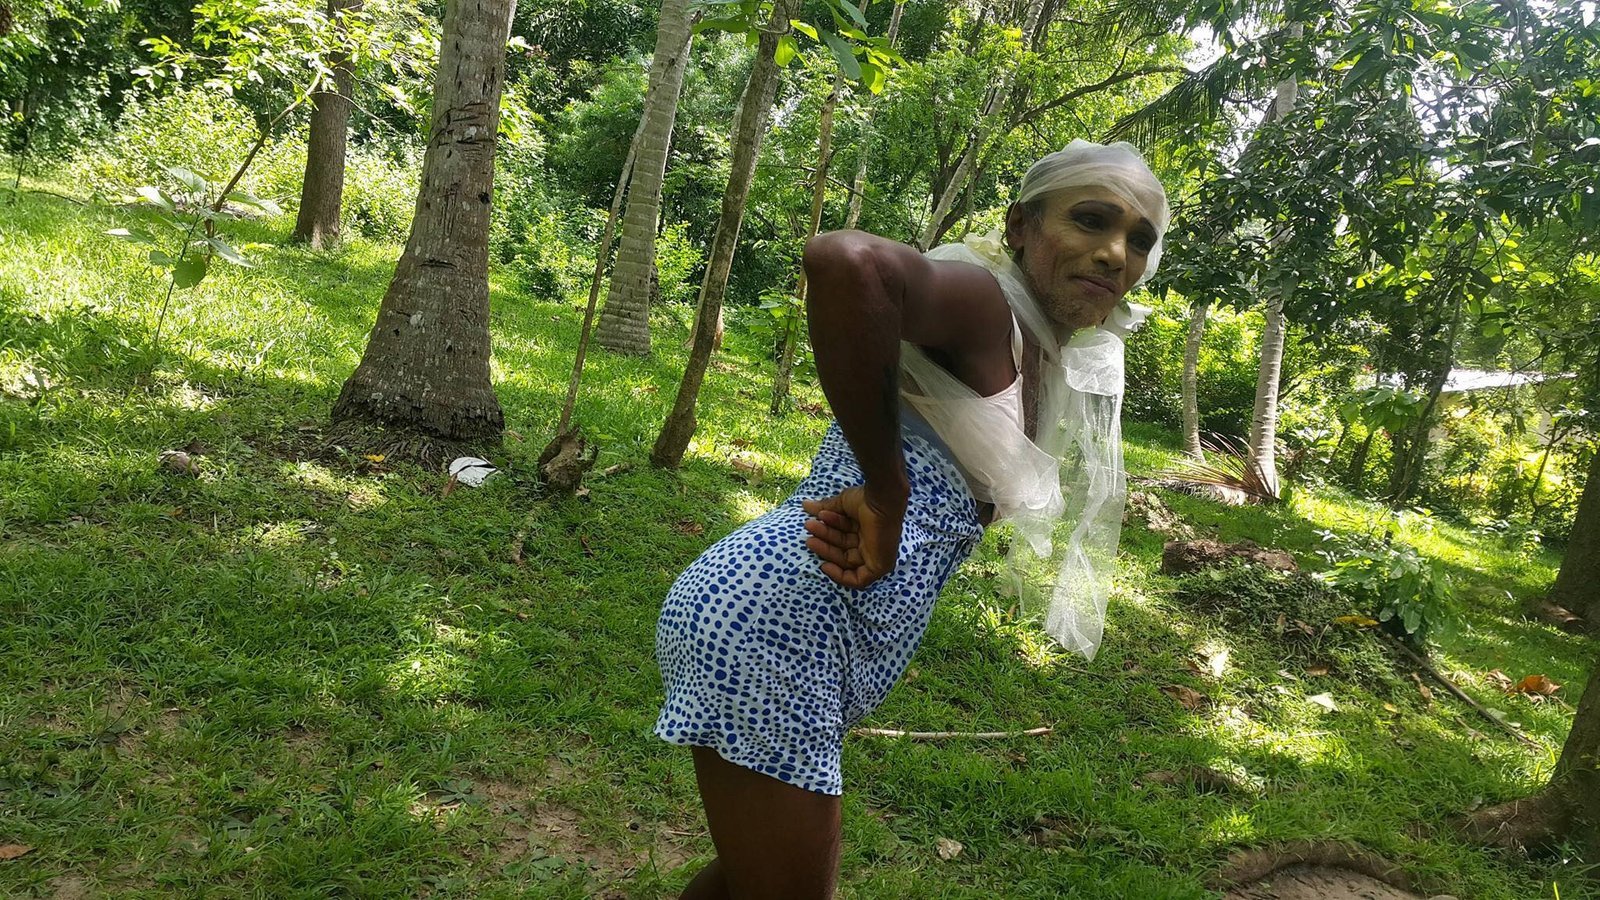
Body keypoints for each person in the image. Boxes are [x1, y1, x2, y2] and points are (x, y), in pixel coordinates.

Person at [653, 140, 1170, 899]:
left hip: (816, 629)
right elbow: (849, 261)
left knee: (750, 873)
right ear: (1020, 226)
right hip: (777, 622)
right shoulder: (987, 306)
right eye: (1091, 220)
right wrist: (886, 493)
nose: (1115, 253)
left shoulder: (1037, 345)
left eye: (1139, 240)